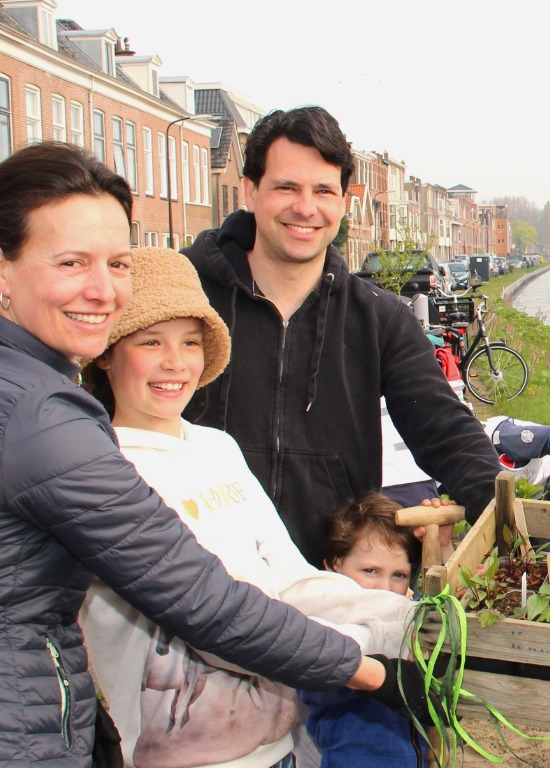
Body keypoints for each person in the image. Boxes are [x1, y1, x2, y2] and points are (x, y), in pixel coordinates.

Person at [0, 144, 415, 768]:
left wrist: (76, 710)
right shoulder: (41, 416)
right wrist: (365, 670)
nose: (102, 290)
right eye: (70, 263)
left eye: (115, 263)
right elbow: (197, 598)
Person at [78, 248, 419, 768]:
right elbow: (210, 623)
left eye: (189, 341)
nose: (175, 362)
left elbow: (288, 577)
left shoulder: (216, 448)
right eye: (150, 342)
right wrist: (364, 661)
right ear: (106, 351)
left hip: (272, 744)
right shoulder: (104, 469)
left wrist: (407, 622)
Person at [183, 106, 498, 565]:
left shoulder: (378, 319)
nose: (305, 208)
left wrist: (513, 509)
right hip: (203, 571)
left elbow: (444, 430)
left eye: (323, 191)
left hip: (330, 577)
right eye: (286, 187)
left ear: (344, 203)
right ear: (250, 191)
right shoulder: (187, 296)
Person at [302, 493, 432, 768]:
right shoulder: (325, 633)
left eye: (399, 575)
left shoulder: (406, 622)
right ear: (333, 566)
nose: (384, 588)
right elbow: (331, 669)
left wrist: (439, 546)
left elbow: (432, 624)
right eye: (370, 570)